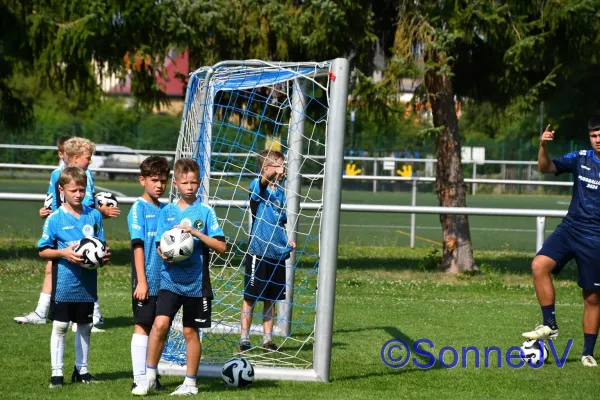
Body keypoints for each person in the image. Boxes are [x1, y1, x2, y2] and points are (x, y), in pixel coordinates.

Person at [132, 158, 227, 396]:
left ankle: (190, 383)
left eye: (194, 182)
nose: (190, 187)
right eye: (185, 182)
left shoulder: (206, 212)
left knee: (190, 332)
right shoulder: (167, 212)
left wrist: (196, 234)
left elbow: (221, 247)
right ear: (176, 183)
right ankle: (149, 377)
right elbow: (158, 245)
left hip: (196, 283)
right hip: (170, 281)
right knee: (160, 324)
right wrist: (165, 254)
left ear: (200, 183)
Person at [14, 137, 120, 330]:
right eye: (89, 157)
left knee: (85, 266)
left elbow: (84, 203)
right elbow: (55, 199)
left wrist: (98, 212)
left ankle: (91, 315)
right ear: (77, 157)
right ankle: (51, 312)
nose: (90, 161)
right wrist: (45, 210)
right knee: (58, 269)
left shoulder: (84, 175)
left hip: (79, 224)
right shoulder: (58, 175)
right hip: (61, 225)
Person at [522, 117, 600, 367]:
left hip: (596, 237)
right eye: (594, 136)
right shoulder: (581, 158)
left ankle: (588, 352)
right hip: (570, 229)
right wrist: (543, 146)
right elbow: (546, 168)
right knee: (539, 265)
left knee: (592, 298)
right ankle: (550, 325)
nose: (598, 140)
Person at [37, 166, 110, 388]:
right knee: (60, 326)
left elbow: (101, 245)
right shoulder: (54, 219)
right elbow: (43, 251)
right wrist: (64, 253)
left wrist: (103, 256)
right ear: (62, 190)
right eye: (73, 190)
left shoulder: (94, 215)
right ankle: (56, 374)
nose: (78, 194)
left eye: (82, 189)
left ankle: (82, 371)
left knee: (85, 325)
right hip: (64, 283)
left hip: (87, 283)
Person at [238, 150, 295, 353]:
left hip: (276, 254)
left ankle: (267, 339)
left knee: (270, 298)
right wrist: (269, 174)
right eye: (279, 165)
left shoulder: (281, 194)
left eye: (284, 166)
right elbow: (263, 182)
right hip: (258, 252)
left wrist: (286, 240)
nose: (283, 169)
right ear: (266, 168)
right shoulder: (257, 187)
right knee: (250, 297)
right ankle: (244, 339)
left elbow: (279, 223)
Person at [128, 156, 170, 393]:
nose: (159, 185)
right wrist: (141, 281)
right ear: (142, 180)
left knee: (159, 327)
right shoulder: (138, 209)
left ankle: (151, 375)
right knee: (143, 325)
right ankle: (138, 377)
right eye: (154, 180)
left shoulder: (166, 209)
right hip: (146, 279)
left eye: (163, 181)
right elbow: (138, 246)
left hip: (165, 279)